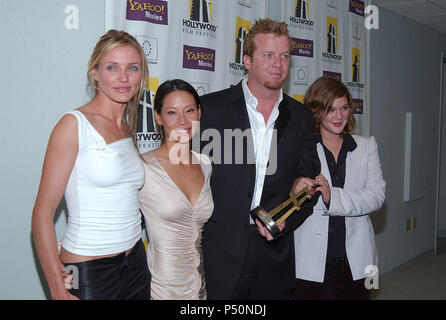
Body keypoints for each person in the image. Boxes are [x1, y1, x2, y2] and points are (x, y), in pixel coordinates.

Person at [199, 18, 321, 300]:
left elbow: (308, 186)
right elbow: (190, 178)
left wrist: (285, 220)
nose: (278, 64)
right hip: (220, 254)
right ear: (247, 60)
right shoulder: (211, 110)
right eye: (267, 55)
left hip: (274, 256)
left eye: (284, 56)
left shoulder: (300, 117)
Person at [32, 30, 151, 300]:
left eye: (132, 68)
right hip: (89, 270)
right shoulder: (73, 125)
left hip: (135, 263)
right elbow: (42, 214)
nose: (123, 78)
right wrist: (56, 288)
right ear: (95, 73)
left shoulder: (127, 129)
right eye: (112, 68)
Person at [293, 76, 386, 300]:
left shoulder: (366, 145)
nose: (339, 116)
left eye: (344, 108)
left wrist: (332, 197)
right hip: (310, 260)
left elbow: (376, 196)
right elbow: (285, 197)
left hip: (359, 260)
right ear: (316, 110)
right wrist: (293, 188)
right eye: (330, 109)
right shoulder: (302, 148)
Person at [139, 79, 213, 300]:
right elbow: (111, 220)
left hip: (201, 289)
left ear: (199, 112)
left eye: (189, 110)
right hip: (161, 290)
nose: (183, 120)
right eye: (172, 113)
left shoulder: (205, 164)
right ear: (158, 117)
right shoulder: (143, 167)